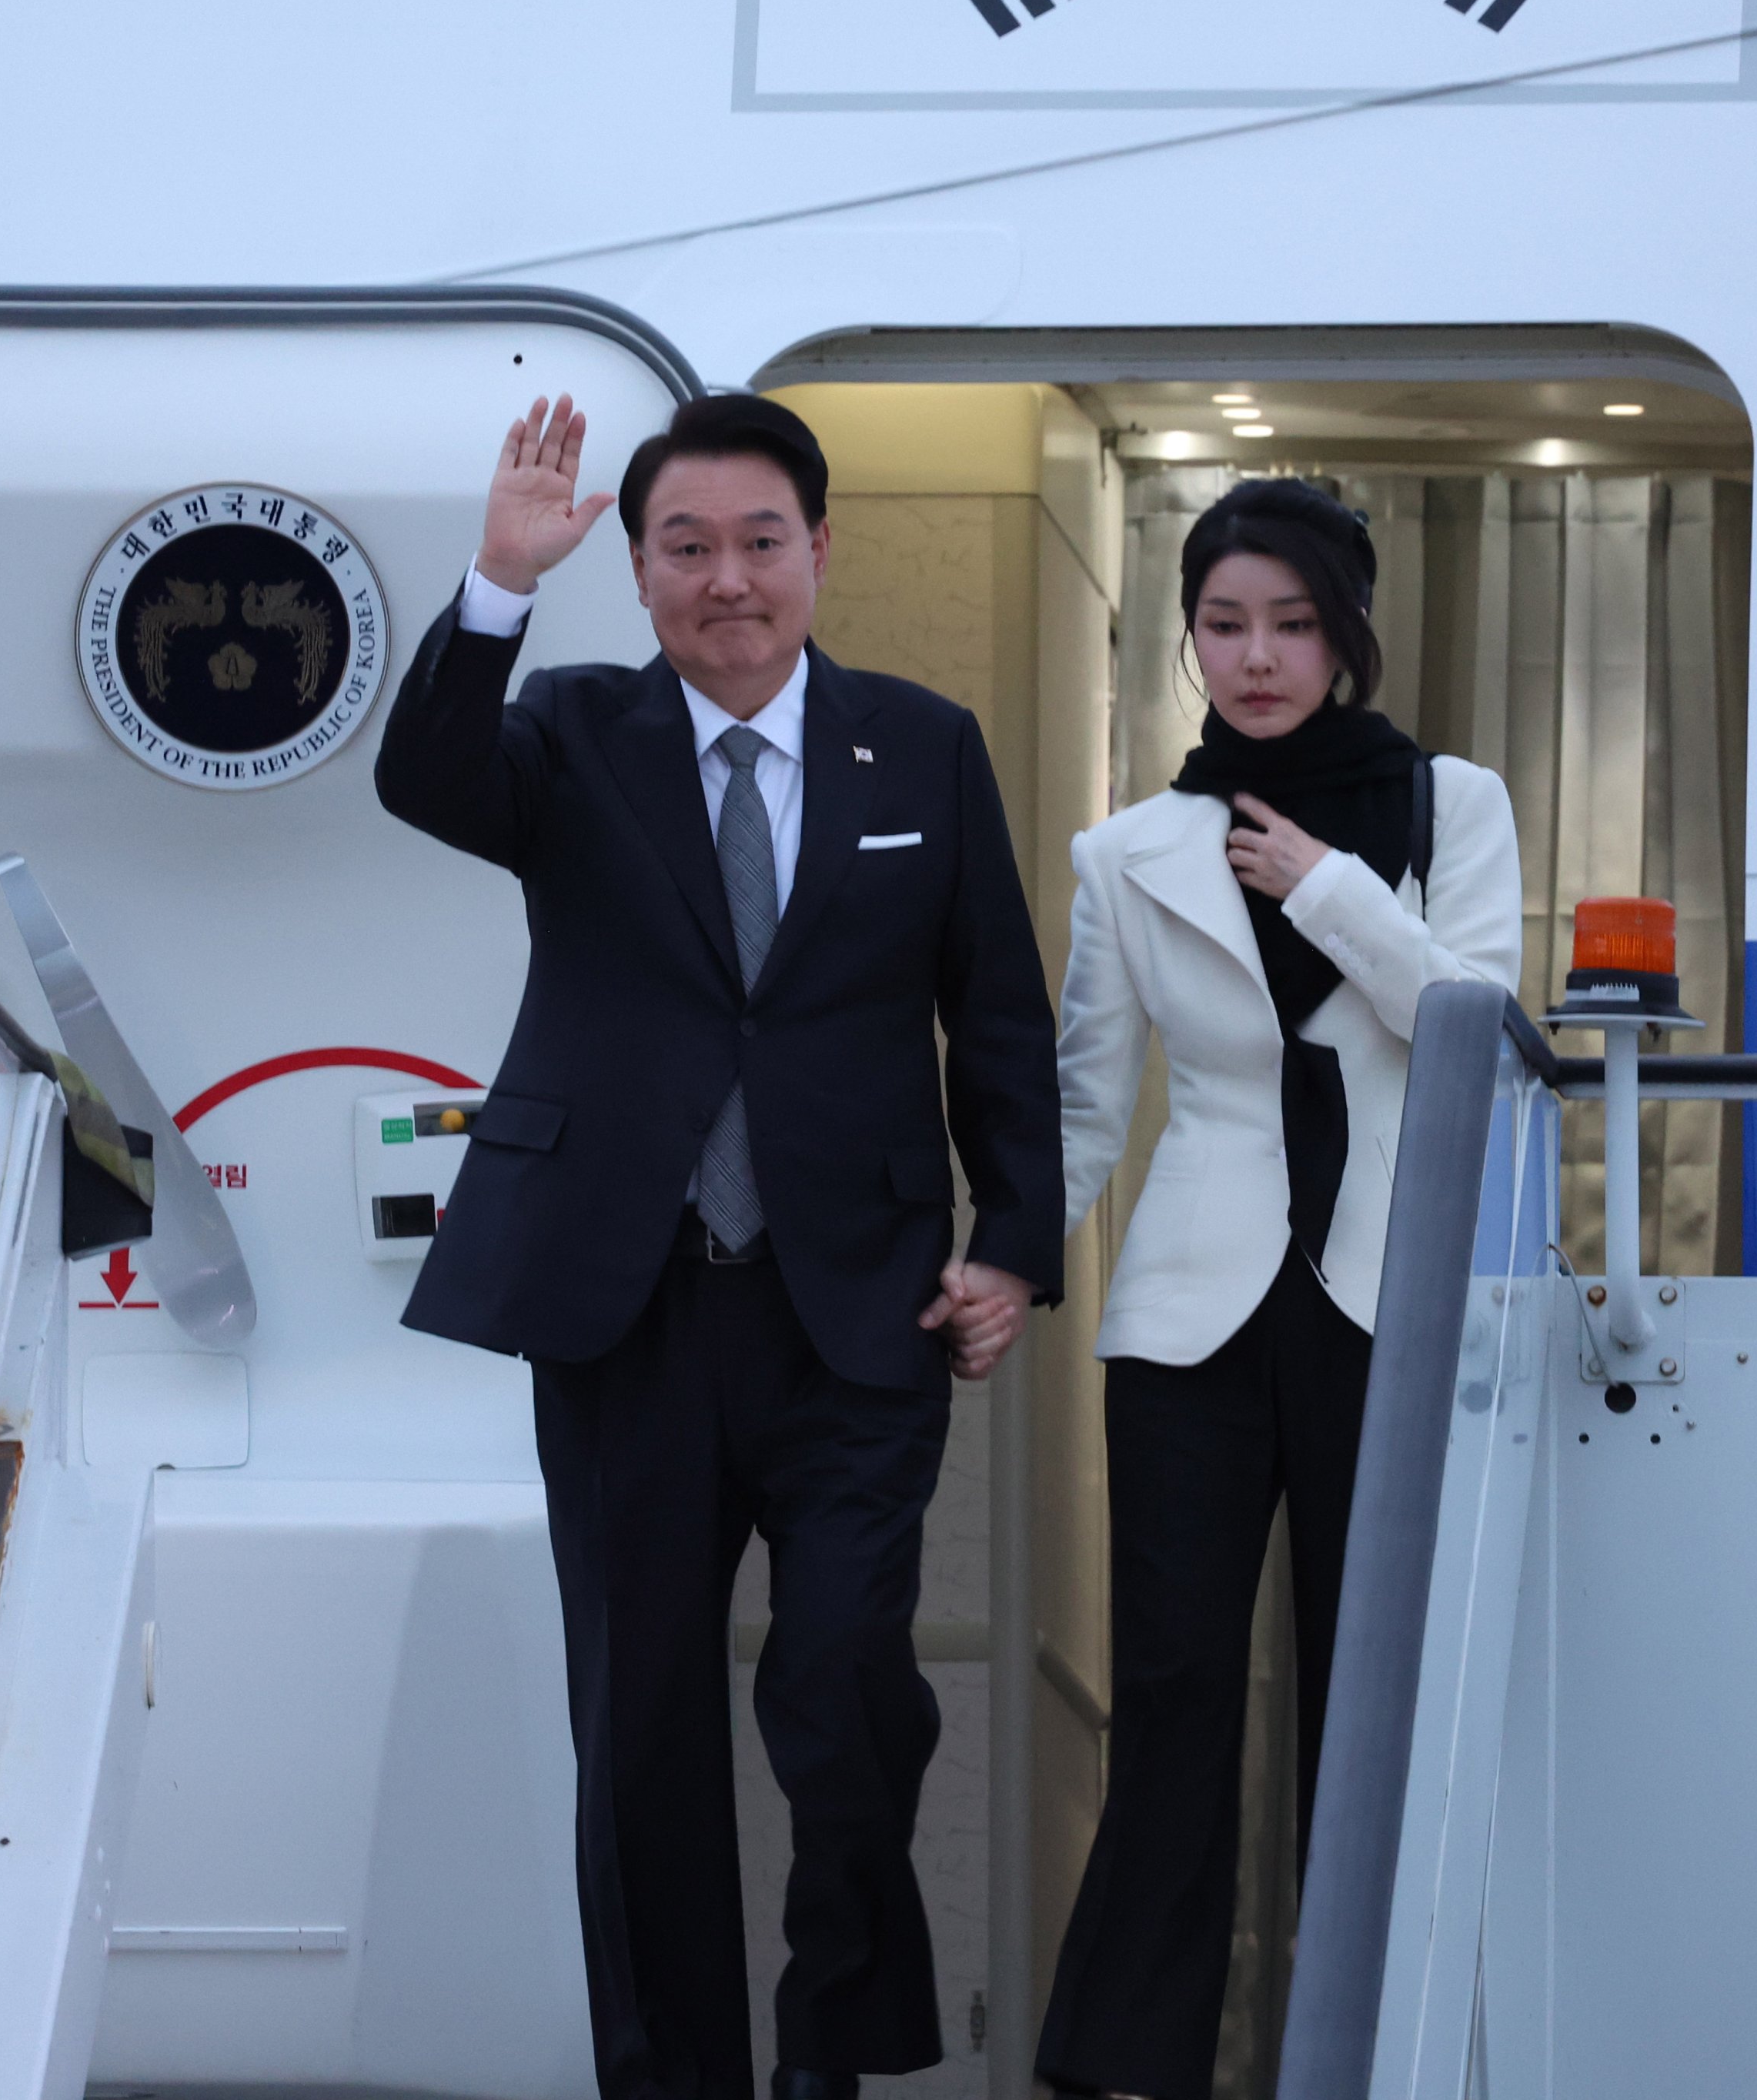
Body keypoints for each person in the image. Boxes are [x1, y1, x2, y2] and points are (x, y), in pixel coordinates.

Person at [376, 391, 1064, 2100]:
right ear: (637, 564)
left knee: (843, 1695)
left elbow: (993, 1015)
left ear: (818, 551)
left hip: (857, 1308)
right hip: (628, 1306)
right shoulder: (571, 730)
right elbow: (425, 780)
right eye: (684, 546)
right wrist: (493, 584)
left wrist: (1017, 1244)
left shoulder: (922, 747)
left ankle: (827, 2055)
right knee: (642, 1733)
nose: (728, 579)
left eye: (761, 541)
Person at [1036, 480, 1524, 2100]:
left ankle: (1379, 2058)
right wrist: (995, 1256)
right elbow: (1083, 1100)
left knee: (1366, 1698)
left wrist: (1324, 884)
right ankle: (1132, 2066)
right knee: (1171, 1698)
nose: (1254, 658)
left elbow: (1478, 1035)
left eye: (1291, 624)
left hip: (1388, 1301)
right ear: (1186, 635)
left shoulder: (1452, 809)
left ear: (1347, 633)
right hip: (1189, 1312)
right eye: (1223, 624)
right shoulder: (1130, 850)